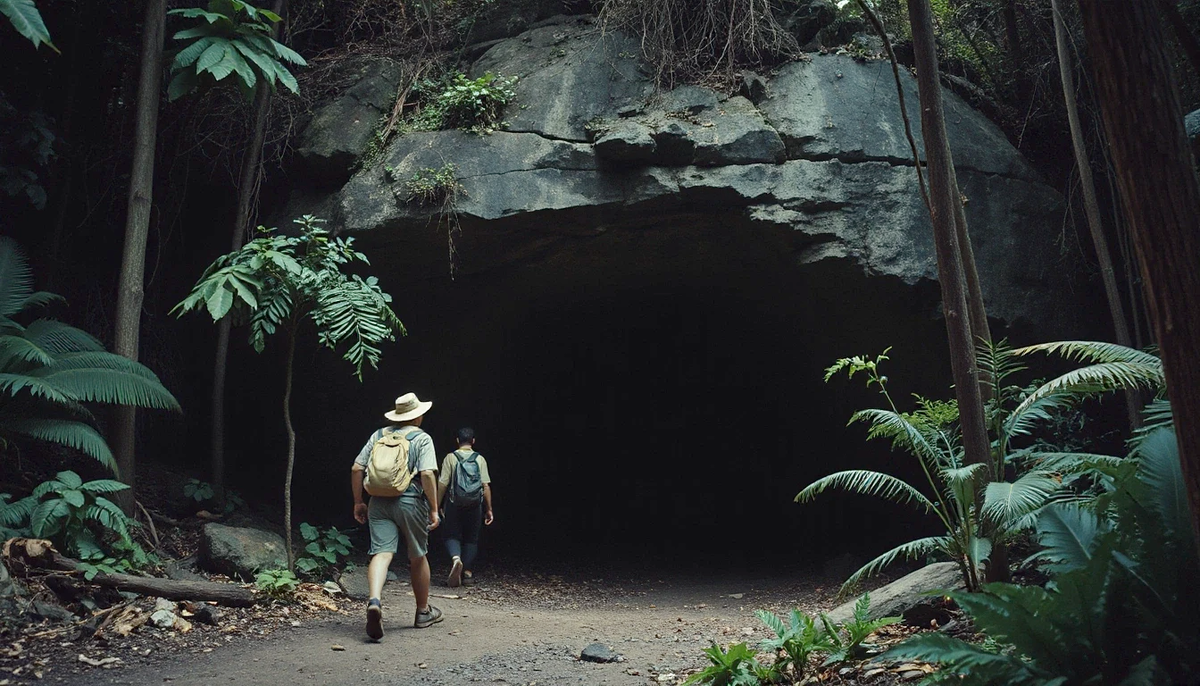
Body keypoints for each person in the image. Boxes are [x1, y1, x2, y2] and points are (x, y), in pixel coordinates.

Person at [351, 393, 443, 641]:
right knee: (418, 555)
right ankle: (423, 612)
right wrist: (434, 508)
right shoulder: (422, 438)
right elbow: (426, 474)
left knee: (382, 553)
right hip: (410, 501)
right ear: (418, 416)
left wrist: (359, 501)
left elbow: (357, 468)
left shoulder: (379, 435)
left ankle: (374, 601)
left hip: (378, 503)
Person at [437, 427, 493, 588]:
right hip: (475, 505)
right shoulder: (480, 459)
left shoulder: (450, 458)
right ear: (473, 441)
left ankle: (456, 558)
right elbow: (486, 486)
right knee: (472, 538)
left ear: (457, 440)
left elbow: (443, 484)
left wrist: (436, 505)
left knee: (450, 535)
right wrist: (488, 509)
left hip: (454, 503)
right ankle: (467, 573)